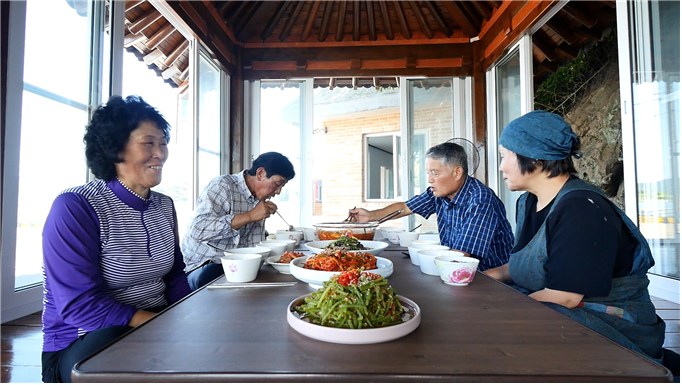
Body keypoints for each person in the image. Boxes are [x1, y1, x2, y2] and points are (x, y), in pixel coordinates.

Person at [484, 110, 665, 362]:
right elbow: (528, 265)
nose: (501, 166)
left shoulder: (581, 208)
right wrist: (479, 279)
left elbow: (564, 297)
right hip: (555, 309)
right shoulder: (528, 202)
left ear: (534, 157)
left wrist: (488, 310)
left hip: (610, 326)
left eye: (504, 157)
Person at [41, 96, 192, 382]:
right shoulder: (76, 206)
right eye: (148, 143)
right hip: (89, 338)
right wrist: (163, 327)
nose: (160, 153)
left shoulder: (165, 205)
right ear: (112, 148)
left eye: (163, 142)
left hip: (156, 320)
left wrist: (190, 318)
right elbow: (79, 305)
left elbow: (174, 276)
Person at [349, 142, 514, 271]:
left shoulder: (480, 200)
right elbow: (405, 207)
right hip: (455, 270)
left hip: (490, 278)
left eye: (435, 173)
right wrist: (371, 216)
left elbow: (460, 256)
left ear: (457, 172)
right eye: (428, 173)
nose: (429, 179)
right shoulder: (440, 193)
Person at [182, 152, 295, 290]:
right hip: (206, 265)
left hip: (241, 264)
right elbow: (198, 230)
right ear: (260, 173)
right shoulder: (223, 186)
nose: (278, 192)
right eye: (277, 184)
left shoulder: (258, 198)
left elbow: (251, 245)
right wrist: (250, 215)